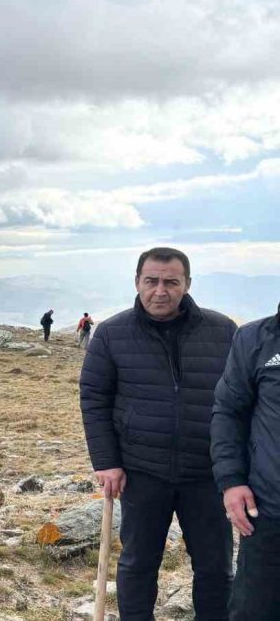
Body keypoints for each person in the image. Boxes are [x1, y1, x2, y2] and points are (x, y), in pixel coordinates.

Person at [79, 247, 236, 621]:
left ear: (187, 284)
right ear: (137, 282)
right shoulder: (112, 334)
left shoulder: (223, 331)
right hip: (141, 471)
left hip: (208, 473)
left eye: (171, 282)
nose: (160, 291)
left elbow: (239, 401)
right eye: (151, 281)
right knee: (138, 563)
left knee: (215, 567)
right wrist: (107, 462)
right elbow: (94, 400)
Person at [212, 303, 280, 619]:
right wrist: (231, 481)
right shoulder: (255, 338)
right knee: (255, 609)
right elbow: (228, 412)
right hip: (269, 510)